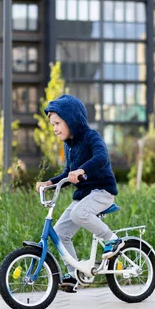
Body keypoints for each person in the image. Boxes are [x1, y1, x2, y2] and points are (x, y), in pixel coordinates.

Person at [35, 94, 124, 292]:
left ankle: (112, 239)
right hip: (84, 196)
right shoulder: (69, 145)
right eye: (53, 125)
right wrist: (49, 183)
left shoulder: (91, 137)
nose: (55, 128)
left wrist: (83, 170)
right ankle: (75, 275)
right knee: (59, 233)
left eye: (58, 123)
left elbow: (101, 157)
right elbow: (68, 173)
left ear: (72, 120)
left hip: (102, 191)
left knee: (78, 213)